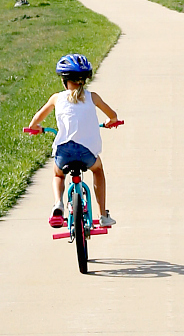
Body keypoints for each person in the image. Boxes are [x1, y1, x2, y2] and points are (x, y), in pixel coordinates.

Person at [26, 54, 121, 228]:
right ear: (84, 80)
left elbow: (35, 121)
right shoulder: (93, 97)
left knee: (58, 174)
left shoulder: (56, 98)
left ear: (64, 80)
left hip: (64, 152)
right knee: (98, 170)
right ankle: (103, 215)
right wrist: (110, 122)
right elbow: (113, 116)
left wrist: (36, 128)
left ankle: (58, 204)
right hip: (86, 153)